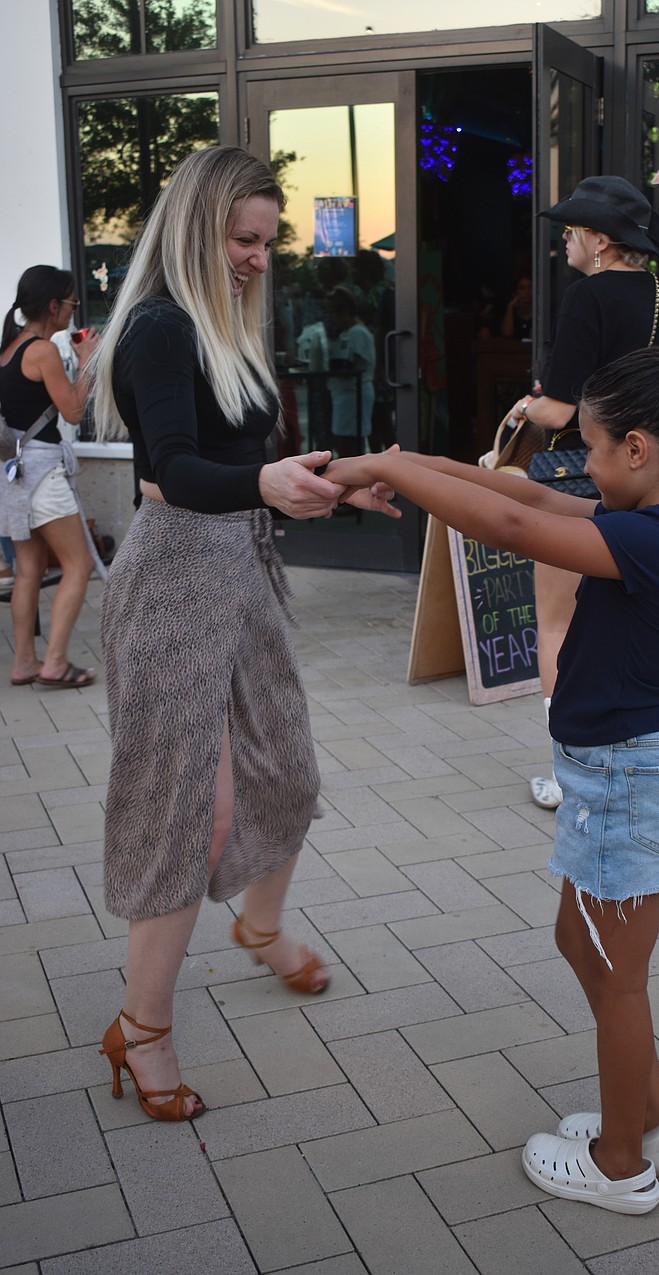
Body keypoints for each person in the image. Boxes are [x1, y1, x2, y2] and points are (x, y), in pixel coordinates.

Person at [326, 343, 659, 1215]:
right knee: (583, 944)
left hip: (628, 779)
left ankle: (622, 1163)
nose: (584, 465)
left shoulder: (657, 541)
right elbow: (528, 495)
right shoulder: (657, 520)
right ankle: (653, 1123)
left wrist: (391, 470)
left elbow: (510, 527)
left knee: (616, 971)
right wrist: (396, 463)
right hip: (611, 775)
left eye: (593, 447)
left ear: (639, 451)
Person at [90, 146, 398, 1123]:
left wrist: (333, 479)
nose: (261, 257)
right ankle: (141, 1028)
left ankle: (259, 932)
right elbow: (178, 469)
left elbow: (244, 458)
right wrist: (262, 487)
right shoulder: (159, 328)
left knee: (289, 773)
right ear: (197, 229)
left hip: (244, 572)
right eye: (243, 238)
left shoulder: (223, 323)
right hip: (176, 576)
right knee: (186, 813)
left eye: (268, 240)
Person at [506, 176, 659, 810]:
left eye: (572, 230)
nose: (564, 241)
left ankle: (567, 770)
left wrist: (525, 409)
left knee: (559, 624)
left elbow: (560, 411)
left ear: (601, 240)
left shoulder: (589, 297)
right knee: (633, 628)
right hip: (657, 480)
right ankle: (644, 756)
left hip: (582, 473)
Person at [0, 265, 100, 688]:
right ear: (54, 305)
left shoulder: (6, 352)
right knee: (78, 565)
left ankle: (24, 663)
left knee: (28, 569)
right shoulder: (40, 351)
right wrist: (87, 361)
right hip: (42, 472)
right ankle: (55, 663)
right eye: (72, 303)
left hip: (12, 474)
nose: (73, 313)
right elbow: (73, 411)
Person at [325, 285, 375, 458]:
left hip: (353, 393)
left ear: (345, 311)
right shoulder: (347, 332)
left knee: (348, 441)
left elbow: (357, 363)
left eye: (334, 313)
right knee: (341, 439)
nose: (332, 318)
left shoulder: (357, 333)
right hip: (344, 394)